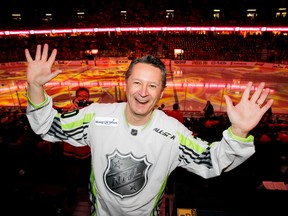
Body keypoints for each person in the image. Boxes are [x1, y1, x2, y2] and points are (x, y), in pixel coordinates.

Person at [25, 44, 273, 216]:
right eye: (137, 83)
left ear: (160, 93)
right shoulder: (96, 116)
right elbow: (49, 126)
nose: (143, 92)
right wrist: (35, 87)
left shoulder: (173, 132)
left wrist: (238, 132)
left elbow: (211, 161)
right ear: (125, 85)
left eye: (152, 86)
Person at [61, 87, 92, 213]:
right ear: (76, 98)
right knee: (72, 178)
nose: (84, 98)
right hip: (71, 151)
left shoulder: (92, 110)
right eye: (81, 96)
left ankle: (91, 199)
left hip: (88, 150)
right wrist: (71, 111)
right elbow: (62, 125)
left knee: (90, 177)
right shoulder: (68, 109)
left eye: (86, 96)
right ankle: (71, 198)